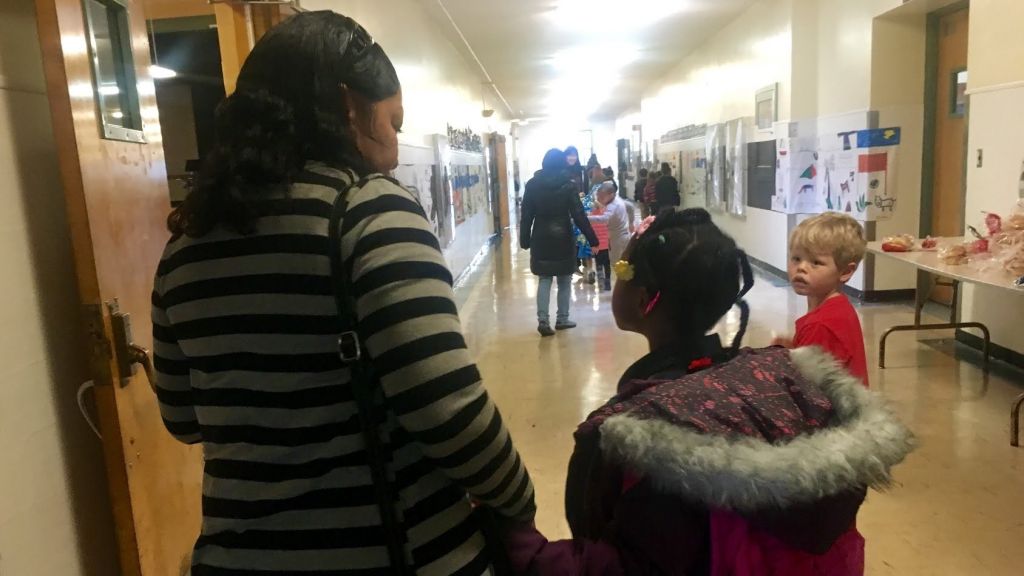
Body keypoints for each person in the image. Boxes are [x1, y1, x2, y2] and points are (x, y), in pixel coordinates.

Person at [152, 12, 536, 575]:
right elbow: (450, 411)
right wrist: (520, 501)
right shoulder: (368, 212)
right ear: (350, 106)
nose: (394, 149)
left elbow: (183, 420)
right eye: (394, 123)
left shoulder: (185, 244)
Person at [487, 209, 913, 575]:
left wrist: (521, 546)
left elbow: (628, 565)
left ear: (645, 300)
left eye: (622, 269)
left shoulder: (648, 434)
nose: (617, 275)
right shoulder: (780, 378)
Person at [773, 212, 870, 386]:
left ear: (846, 271)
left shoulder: (820, 325)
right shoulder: (839, 307)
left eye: (815, 262)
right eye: (796, 258)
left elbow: (804, 389)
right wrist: (792, 352)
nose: (801, 268)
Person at [521, 149, 599, 336]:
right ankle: (562, 319)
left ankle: (543, 320)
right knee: (564, 279)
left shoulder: (532, 185)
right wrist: (593, 239)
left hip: (541, 236)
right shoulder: (569, 185)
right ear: (562, 164)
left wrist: (524, 239)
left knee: (544, 278)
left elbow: (526, 216)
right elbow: (579, 215)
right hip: (563, 236)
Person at [588, 181, 632, 291]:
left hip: (619, 239)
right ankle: (626, 287)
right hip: (621, 235)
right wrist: (631, 222)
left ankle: (625, 289)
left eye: (601, 196)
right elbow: (630, 207)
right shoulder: (618, 199)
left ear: (611, 194)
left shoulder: (613, 205)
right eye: (598, 196)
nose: (599, 198)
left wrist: (585, 219)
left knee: (619, 265)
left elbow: (604, 219)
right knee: (622, 264)